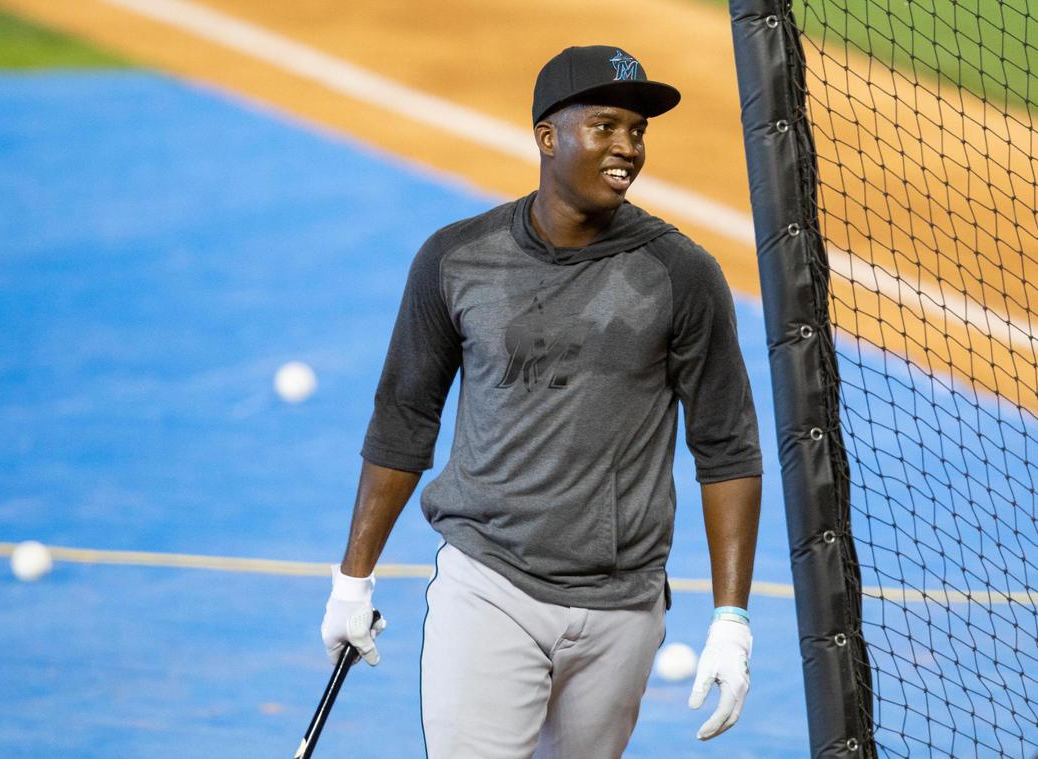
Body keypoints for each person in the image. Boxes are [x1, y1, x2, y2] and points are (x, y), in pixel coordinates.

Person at [320, 44, 762, 758]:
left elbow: (728, 447)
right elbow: (405, 417)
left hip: (623, 607)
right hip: (489, 585)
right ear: (548, 136)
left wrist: (732, 619)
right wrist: (352, 579)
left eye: (639, 132)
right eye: (608, 126)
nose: (628, 148)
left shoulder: (681, 273)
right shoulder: (457, 259)